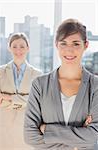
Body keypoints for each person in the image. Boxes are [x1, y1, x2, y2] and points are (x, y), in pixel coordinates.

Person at [24, 19, 98, 150]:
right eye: (63, 43)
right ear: (56, 45)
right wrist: (79, 138)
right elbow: (30, 136)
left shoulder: (95, 86)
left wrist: (46, 129)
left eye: (75, 44)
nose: (69, 50)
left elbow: (93, 137)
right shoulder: (39, 85)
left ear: (85, 45)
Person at [0, 32, 42, 150]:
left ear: (28, 48)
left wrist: (8, 98)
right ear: (9, 48)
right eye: (14, 46)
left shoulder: (37, 74)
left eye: (22, 46)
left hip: (27, 126)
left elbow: (35, 102)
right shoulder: (0, 72)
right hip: (4, 125)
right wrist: (24, 100)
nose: (18, 50)